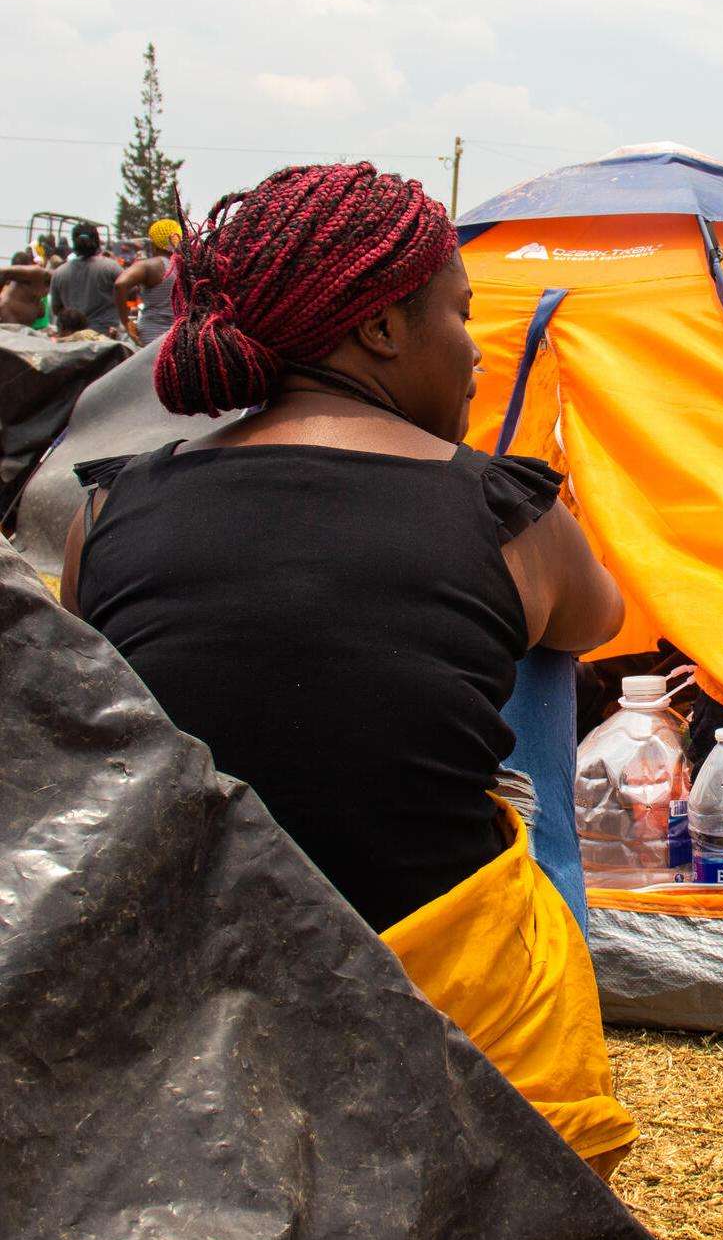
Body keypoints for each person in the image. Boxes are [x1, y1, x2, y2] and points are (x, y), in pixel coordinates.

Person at [57, 163, 638, 1176]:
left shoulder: (106, 512)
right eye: (460, 314)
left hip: (177, 1006)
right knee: (541, 656)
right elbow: (603, 617)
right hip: (438, 1027)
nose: (476, 349)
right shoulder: (506, 513)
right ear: (380, 330)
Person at [113, 218, 182, 345]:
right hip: (180, 338)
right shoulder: (187, 267)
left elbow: (120, 284)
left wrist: (125, 322)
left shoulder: (151, 265)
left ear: (153, 242)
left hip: (150, 337)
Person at [47, 223, 123, 335]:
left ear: (74, 242)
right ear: (97, 242)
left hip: (72, 338)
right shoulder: (112, 267)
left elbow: (56, 309)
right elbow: (130, 293)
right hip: (106, 337)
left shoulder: (59, 273)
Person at [0, 252, 51, 327]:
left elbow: (41, 312)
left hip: (23, 326)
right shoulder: (11, 280)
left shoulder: (35, 276)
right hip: (11, 323)